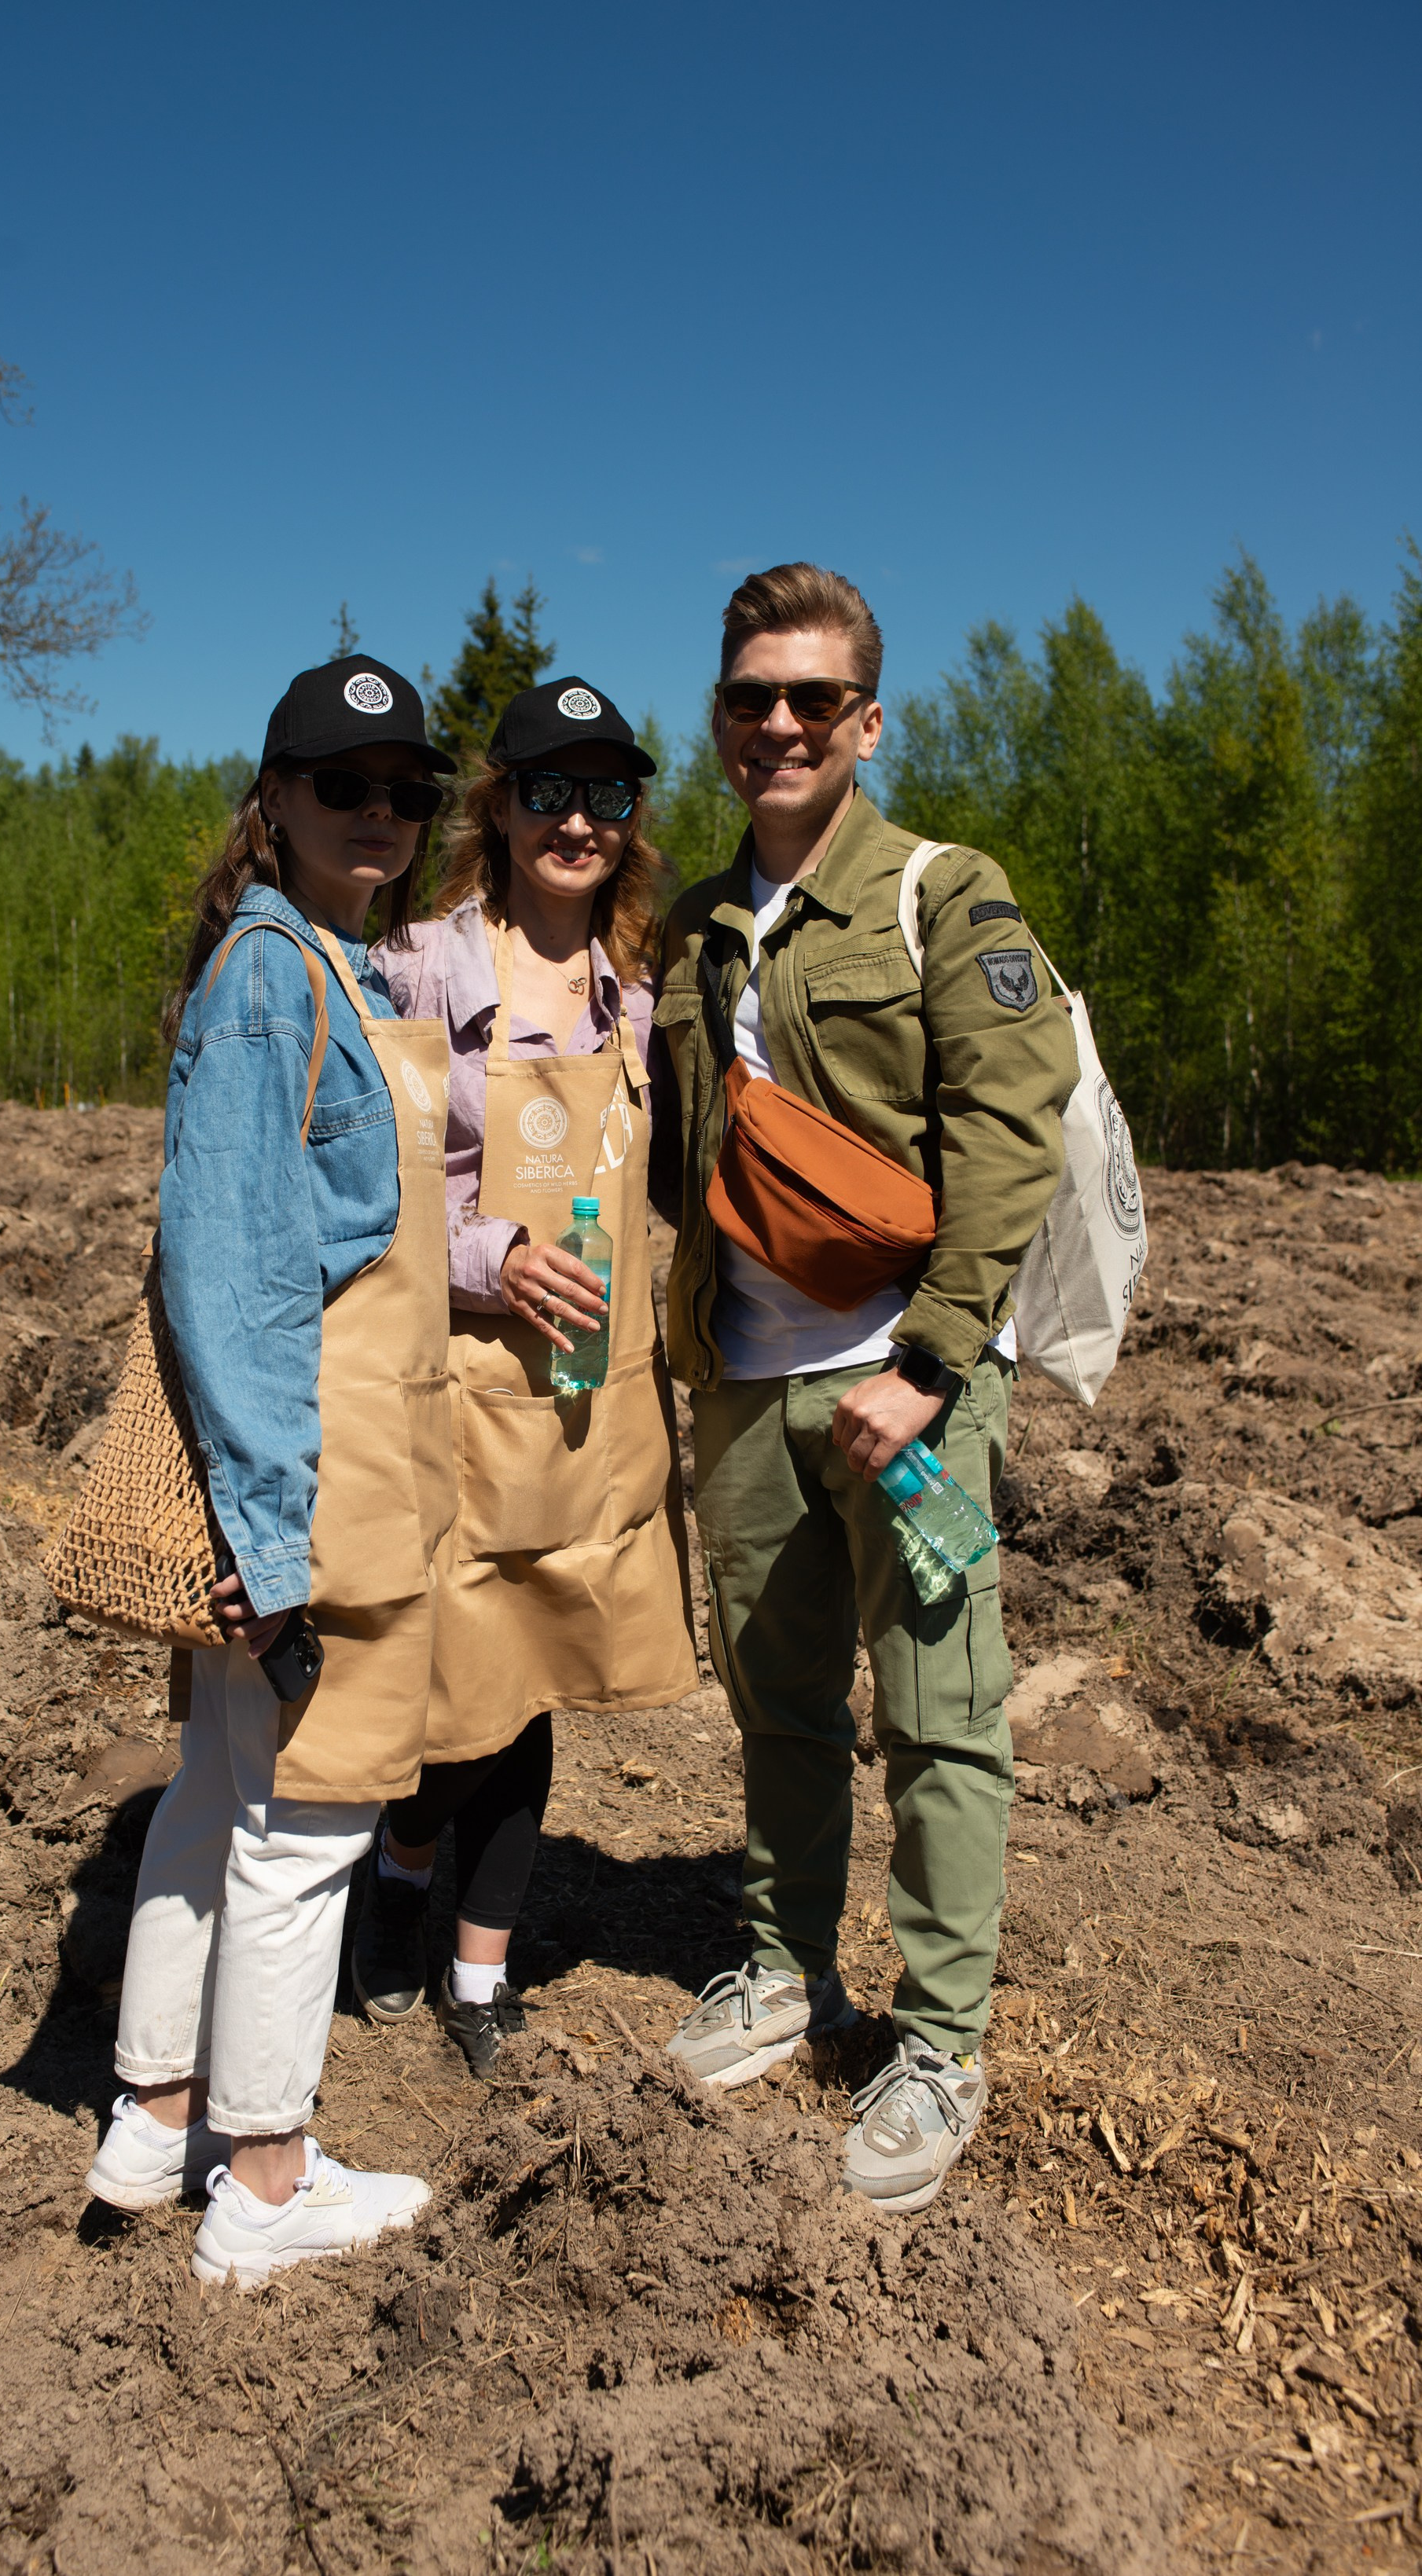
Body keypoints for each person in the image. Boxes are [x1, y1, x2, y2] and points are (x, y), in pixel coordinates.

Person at [654, 565, 1077, 2212]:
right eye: (750, 697)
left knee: (938, 1714)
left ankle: (941, 2037)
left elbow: (1004, 1142)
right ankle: (781, 1970)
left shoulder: (939, 895)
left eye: (809, 700)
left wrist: (925, 1365)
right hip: (747, 1389)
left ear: (864, 721)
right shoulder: (693, 923)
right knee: (774, 1700)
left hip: (905, 1391)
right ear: (717, 720)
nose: (777, 723)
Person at [85, 655, 462, 2284]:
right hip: (311, 1459)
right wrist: (265, 1522)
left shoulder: (330, 963)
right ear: (277, 795)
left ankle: (151, 2119)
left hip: (329, 1442)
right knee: (306, 1818)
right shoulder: (270, 974)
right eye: (339, 783)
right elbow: (228, 1269)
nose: (375, 813)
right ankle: (262, 2181)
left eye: (403, 790)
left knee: (218, 1793)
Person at [357, 675, 696, 2073]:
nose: (578, 818)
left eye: (607, 793)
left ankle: (478, 1977)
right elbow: (367, 1179)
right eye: (548, 789)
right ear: (498, 805)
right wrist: (492, 1253)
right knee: (458, 1685)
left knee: (539, 1667)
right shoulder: (424, 965)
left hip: (589, 1399)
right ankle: (400, 1868)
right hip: (461, 1376)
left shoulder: (645, 991)